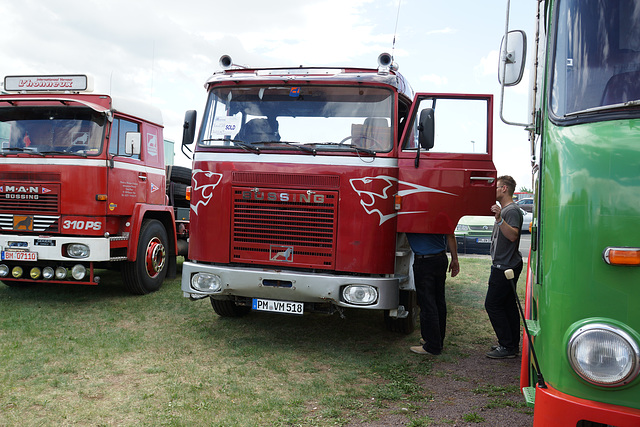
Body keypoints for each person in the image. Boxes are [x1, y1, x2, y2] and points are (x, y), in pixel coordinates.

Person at [484, 175, 524, 359]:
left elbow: (513, 235)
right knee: (508, 305)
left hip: (505, 266)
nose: (493, 189)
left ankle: (507, 345)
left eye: (496, 186)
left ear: (504, 189)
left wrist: (499, 219)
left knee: (492, 304)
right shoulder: (506, 210)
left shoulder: (511, 211)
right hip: (506, 264)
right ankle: (511, 345)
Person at [407, 233, 459, 356]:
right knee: (439, 301)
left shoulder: (411, 213)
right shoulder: (440, 214)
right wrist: (455, 259)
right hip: (440, 258)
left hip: (424, 261)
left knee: (427, 303)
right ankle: (436, 339)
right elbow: (451, 235)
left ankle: (432, 346)